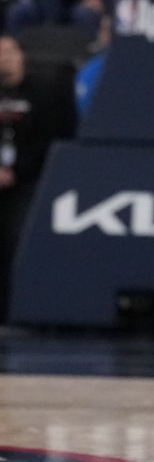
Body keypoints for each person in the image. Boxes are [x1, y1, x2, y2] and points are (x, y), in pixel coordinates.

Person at [0, 35, 74, 322]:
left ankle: (12, 313)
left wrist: (16, 171)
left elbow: (51, 139)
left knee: (15, 238)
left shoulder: (43, 92)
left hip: (29, 181)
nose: (4, 57)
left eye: (9, 51)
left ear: (21, 56)